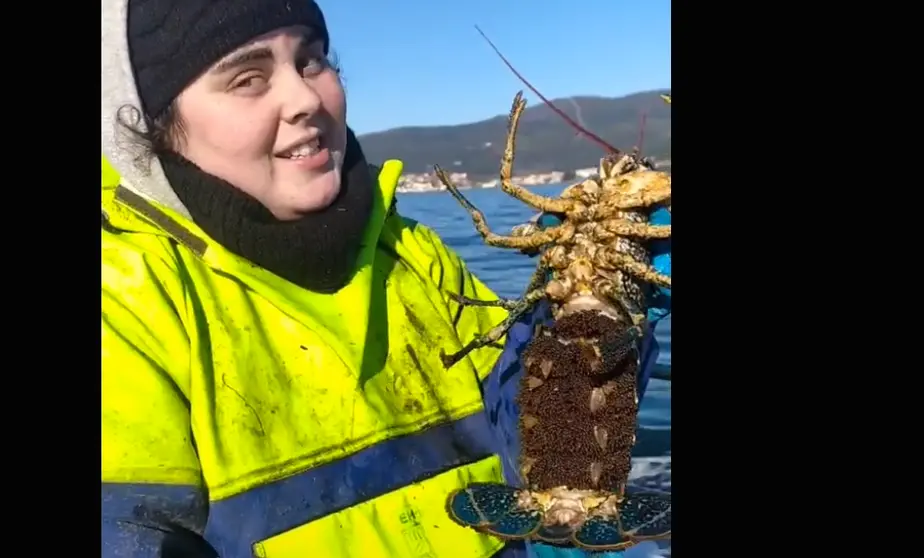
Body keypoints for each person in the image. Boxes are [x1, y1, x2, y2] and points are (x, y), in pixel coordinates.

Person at [101, 2, 671, 557]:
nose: (303, 97)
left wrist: (588, 311)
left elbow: (528, 429)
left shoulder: (412, 251)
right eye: (248, 77)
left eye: (312, 60)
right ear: (154, 127)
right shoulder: (123, 306)